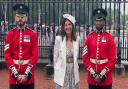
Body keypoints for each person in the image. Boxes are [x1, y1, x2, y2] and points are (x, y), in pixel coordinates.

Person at [4, 4, 38, 89]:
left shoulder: (32, 34)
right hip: (14, 76)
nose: (20, 19)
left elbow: (35, 55)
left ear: (26, 18)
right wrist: (15, 74)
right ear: (15, 18)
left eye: (22, 17)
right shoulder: (10, 34)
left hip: (28, 76)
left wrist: (26, 74)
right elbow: (7, 55)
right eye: (18, 16)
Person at [82, 8, 116, 89]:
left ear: (104, 22)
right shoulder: (89, 37)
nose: (98, 22)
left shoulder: (109, 38)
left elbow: (113, 59)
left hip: (106, 78)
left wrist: (102, 74)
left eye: (100, 20)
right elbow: (85, 57)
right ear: (95, 22)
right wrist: (93, 74)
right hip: (92, 78)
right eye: (97, 20)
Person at [54, 14, 80, 89]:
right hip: (62, 70)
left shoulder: (77, 39)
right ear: (63, 27)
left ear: (72, 26)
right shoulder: (59, 39)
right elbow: (55, 56)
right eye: (65, 25)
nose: (68, 27)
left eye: (69, 24)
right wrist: (56, 69)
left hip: (73, 71)